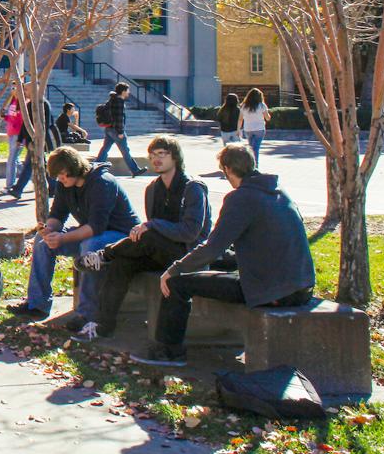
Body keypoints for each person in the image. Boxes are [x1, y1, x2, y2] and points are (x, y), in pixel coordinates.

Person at [132, 143, 315, 367]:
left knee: (178, 284)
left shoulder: (241, 198)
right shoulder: (277, 191)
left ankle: (168, 352)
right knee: (213, 270)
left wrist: (174, 269)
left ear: (227, 169)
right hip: (301, 286)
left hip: (272, 291)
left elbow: (212, 248)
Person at [72, 135, 212, 342]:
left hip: (189, 254)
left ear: (175, 157)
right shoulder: (152, 189)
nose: (156, 159)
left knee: (149, 234)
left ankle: (104, 255)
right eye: (152, 155)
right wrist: (148, 229)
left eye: (161, 154)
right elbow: (154, 230)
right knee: (122, 263)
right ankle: (104, 325)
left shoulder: (193, 188)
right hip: (160, 251)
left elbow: (190, 232)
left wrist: (151, 226)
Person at [7, 147, 139, 327]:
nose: (61, 180)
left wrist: (61, 239)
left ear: (75, 168)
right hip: (92, 233)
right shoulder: (65, 185)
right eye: (58, 177)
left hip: (121, 237)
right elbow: (58, 215)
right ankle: (37, 304)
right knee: (42, 242)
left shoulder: (102, 183)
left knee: (90, 245)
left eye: (63, 175)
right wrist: (49, 230)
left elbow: (95, 227)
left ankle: (86, 315)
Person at [9, 97, 60, 199]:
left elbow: (46, 123)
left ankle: (18, 189)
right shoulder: (29, 104)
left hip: (37, 141)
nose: (25, 92)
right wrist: (20, 138)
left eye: (27, 89)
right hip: (31, 140)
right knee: (43, 165)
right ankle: (54, 187)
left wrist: (39, 139)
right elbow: (26, 123)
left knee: (29, 165)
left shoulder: (43, 104)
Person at [95, 82, 146, 177]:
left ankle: (96, 166)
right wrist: (120, 132)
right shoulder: (119, 101)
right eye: (127, 90)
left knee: (105, 149)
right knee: (125, 151)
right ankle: (135, 170)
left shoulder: (112, 99)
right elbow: (119, 118)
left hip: (109, 129)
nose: (129, 92)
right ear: (123, 91)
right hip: (116, 130)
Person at [238, 88, 271, 165]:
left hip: (248, 129)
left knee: (251, 147)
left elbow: (240, 119)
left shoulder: (244, 106)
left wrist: (238, 129)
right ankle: (255, 165)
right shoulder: (262, 105)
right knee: (256, 148)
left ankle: (250, 164)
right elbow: (267, 118)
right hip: (259, 129)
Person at [3, 96, 23, 191]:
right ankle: (32, 178)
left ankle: (9, 185)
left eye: (15, 84)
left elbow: (22, 120)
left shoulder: (23, 101)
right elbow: (12, 118)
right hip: (11, 132)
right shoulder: (13, 101)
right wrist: (5, 117)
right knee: (16, 160)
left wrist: (21, 137)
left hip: (18, 134)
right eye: (12, 85)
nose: (13, 87)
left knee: (11, 159)